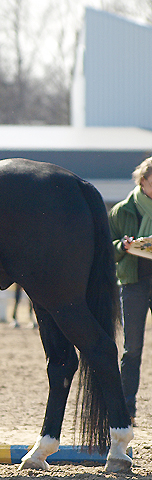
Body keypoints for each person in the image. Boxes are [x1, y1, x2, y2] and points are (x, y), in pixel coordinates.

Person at [108, 156, 152, 426]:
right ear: (143, 180)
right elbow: (107, 249)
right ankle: (127, 410)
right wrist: (123, 247)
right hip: (133, 284)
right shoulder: (122, 211)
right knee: (132, 349)